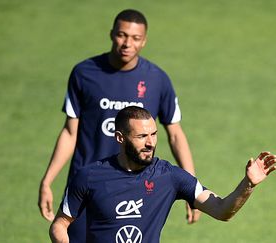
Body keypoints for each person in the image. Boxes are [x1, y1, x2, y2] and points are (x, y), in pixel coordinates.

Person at [38, 9, 199, 243]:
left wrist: (189, 188)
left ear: (144, 41)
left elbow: (175, 134)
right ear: (112, 34)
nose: (127, 43)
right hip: (87, 188)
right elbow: (70, 132)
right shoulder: (84, 73)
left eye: (135, 38)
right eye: (122, 35)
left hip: (135, 189)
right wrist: (47, 180)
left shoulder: (157, 79)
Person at [49, 106, 276, 243]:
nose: (150, 143)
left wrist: (248, 184)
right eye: (141, 137)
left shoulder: (170, 176)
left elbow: (221, 210)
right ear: (120, 138)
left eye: (154, 134)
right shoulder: (89, 176)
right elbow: (60, 225)